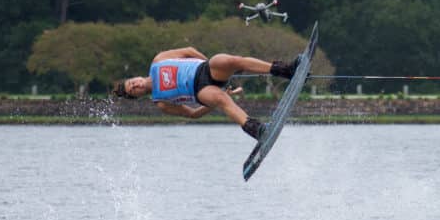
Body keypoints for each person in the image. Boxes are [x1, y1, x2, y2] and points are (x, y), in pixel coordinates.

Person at [111, 46, 300, 139]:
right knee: (220, 98)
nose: (135, 85)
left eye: (132, 82)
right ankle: (256, 130)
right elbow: (192, 114)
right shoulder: (160, 102)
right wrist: (216, 101)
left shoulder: (158, 60)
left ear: (134, 77)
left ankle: (285, 70)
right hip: (200, 91)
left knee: (230, 61)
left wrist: (207, 63)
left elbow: (188, 50)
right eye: (133, 90)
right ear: (137, 96)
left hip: (205, 69)